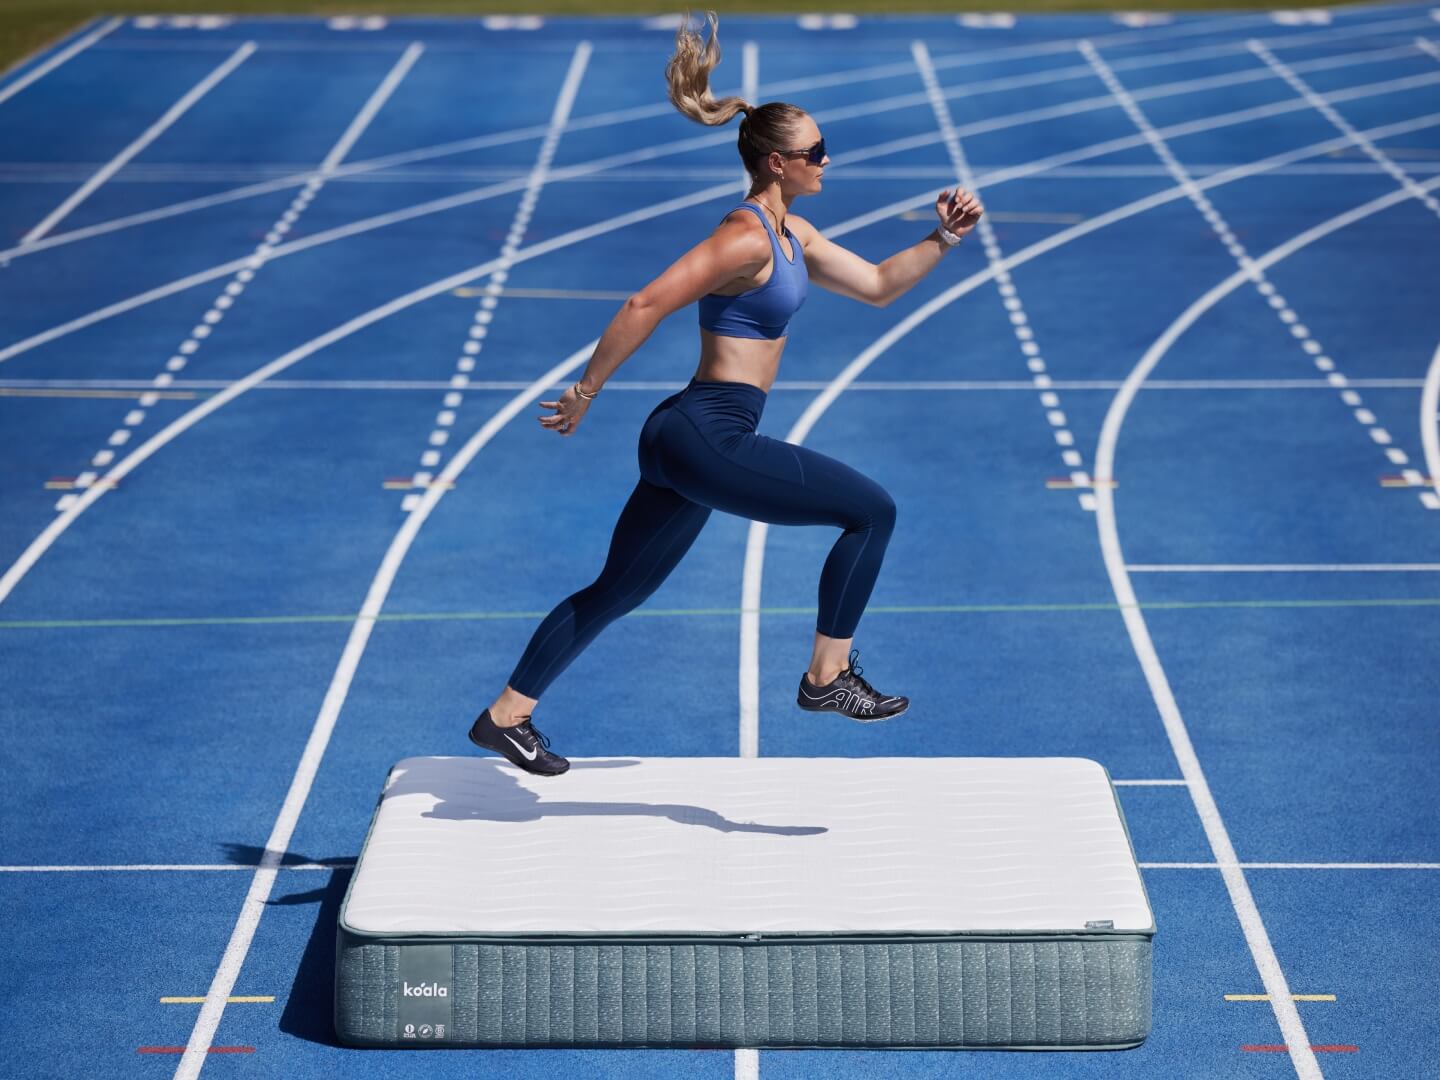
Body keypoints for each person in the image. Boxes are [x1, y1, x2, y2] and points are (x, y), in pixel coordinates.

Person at [469, 10, 983, 776]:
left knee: (619, 588)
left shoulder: (793, 236)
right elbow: (647, 302)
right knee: (872, 511)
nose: (827, 160)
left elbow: (876, 286)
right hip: (707, 432)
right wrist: (585, 390)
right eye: (814, 152)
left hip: (691, 435)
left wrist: (943, 240)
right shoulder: (745, 237)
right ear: (776, 163)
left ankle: (505, 716)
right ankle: (825, 678)